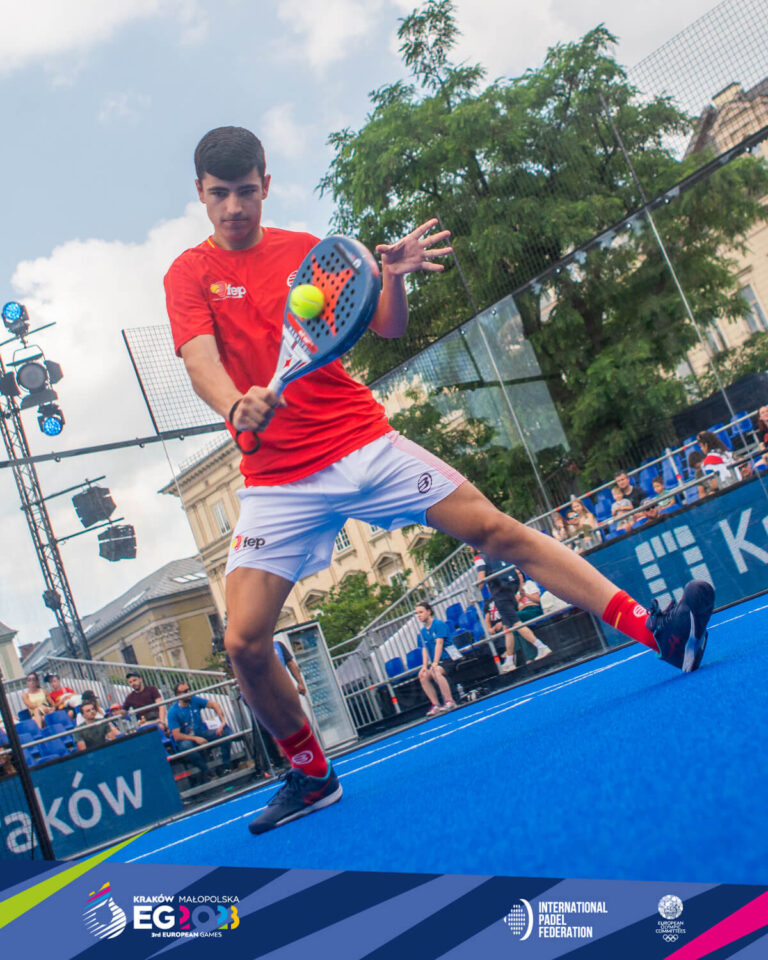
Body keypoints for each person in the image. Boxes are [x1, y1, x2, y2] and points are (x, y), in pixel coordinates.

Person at [165, 126, 714, 834]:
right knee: (243, 642)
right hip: (277, 480)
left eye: (246, 191)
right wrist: (233, 403)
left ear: (265, 184)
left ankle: (662, 634)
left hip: (360, 442)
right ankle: (311, 773)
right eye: (220, 195)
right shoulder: (189, 273)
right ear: (200, 193)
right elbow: (200, 360)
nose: (235, 207)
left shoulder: (309, 254)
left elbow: (386, 327)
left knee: (497, 531)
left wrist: (391, 276)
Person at [475, 553, 552, 671]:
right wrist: (519, 588)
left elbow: (481, 578)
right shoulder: (496, 551)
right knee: (508, 629)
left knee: (517, 624)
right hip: (510, 591)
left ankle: (541, 646)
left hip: (500, 595)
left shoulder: (479, 557)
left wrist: (474, 590)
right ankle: (509, 660)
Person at [167, 682, 234, 778]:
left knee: (224, 733)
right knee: (186, 746)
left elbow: (214, 704)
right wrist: (195, 739)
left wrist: (222, 721)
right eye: (185, 691)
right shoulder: (173, 712)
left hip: (201, 733)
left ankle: (226, 767)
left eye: (188, 690)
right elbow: (177, 736)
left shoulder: (194, 700)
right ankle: (208, 773)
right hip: (186, 739)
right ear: (178, 695)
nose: (188, 693)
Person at [414, 601, 457, 716]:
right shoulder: (422, 632)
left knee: (435, 671)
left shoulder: (438, 624)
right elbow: (424, 649)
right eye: (417, 613)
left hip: (448, 658)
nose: (418, 615)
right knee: (423, 676)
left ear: (429, 612)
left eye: (421, 612)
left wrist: (435, 663)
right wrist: (424, 667)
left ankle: (449, 701)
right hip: (437, 661)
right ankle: (436, 705)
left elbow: (439, 643)